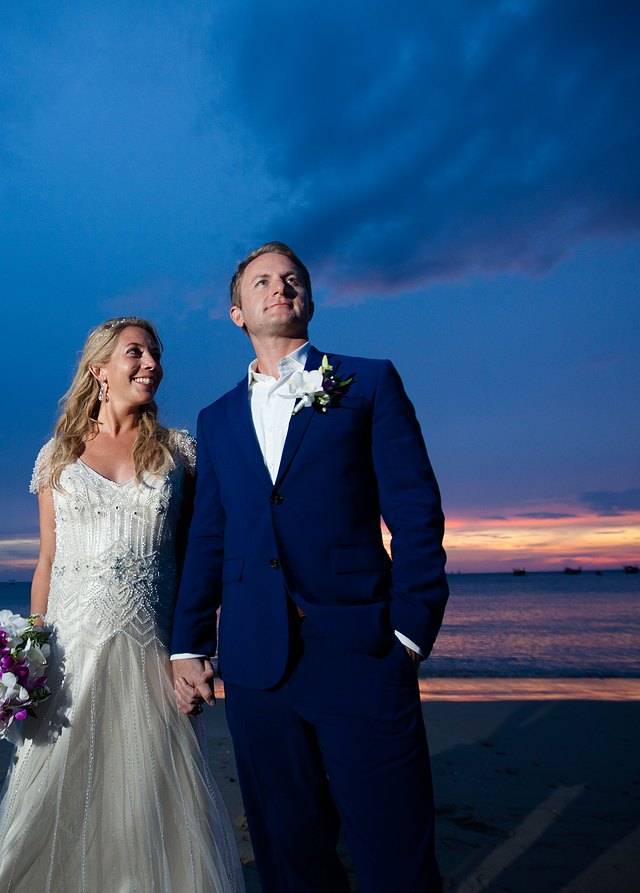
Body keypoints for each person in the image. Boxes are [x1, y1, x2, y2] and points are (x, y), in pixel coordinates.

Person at [170, 243, 448, 892]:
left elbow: (415, 508)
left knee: (395, 851)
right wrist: (189, 641)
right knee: (290, 853)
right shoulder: (217, 420)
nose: (280, 287)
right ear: (237, 312)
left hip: (361, 648)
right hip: (255, 662)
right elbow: (209, 535)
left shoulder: (366, 382)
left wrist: (409, 629)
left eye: (292, 279)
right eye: (262, 281)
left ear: (310, 300)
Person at [0, 317, 244, 893]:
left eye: (156, 354)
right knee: (55, 787)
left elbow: (196, 556)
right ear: (99, 369)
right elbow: (46, 561)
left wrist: (197, 646)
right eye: (135, 352)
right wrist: (29, 654)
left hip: (152, 650)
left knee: (154, 791)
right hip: (72, 651)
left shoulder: (180, 452)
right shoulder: (58, 455)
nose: (151, 364)